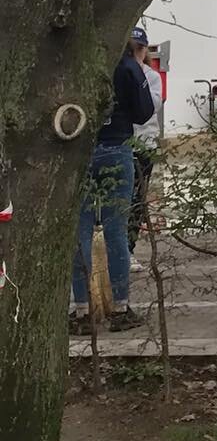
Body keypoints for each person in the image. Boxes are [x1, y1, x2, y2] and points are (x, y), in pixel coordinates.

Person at [70, 34, 155, 334]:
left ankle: (81, 311)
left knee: (79, 230)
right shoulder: (127, 66)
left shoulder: (75, 58)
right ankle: (120, 309)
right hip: (116, 147)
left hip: (79, 150)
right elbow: (145, 111)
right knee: (116, 229)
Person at [127, 28, 164, 258]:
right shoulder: (119, 72)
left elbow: (152, 106)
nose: (136, 54)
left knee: (137, 200)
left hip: (144, 145)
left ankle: (129, 249)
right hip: (122, 142)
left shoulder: (151, 76)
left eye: (139, 49)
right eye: (132, 49)